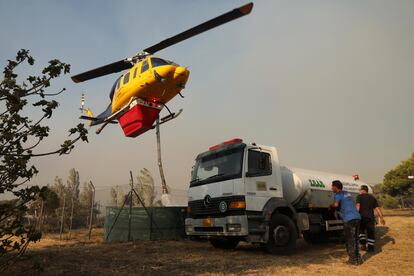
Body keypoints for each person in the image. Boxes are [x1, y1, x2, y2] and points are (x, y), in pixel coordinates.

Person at [331, 180, 363, 265]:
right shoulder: (347, 193)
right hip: (357, 217)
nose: (331, 188)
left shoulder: (338, 195)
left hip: (349, 219)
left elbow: (336, 205)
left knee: (350, 239)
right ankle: (358, 258)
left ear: (335, 187)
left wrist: (331, 206)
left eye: (332, 186)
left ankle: (353, 260)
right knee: (355, 239)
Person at [356, 185, 385, 252]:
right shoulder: (372, 198)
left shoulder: (359, 197)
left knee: (361, 231)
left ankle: (363, 244)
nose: (359, 191)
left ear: (363, 190)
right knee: (370, 233)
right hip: (370, 218)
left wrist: (355, 215)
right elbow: (377, 208)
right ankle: (371, 248)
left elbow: (358, 206)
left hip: (362, 217)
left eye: (360, 190)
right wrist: (381, 218)